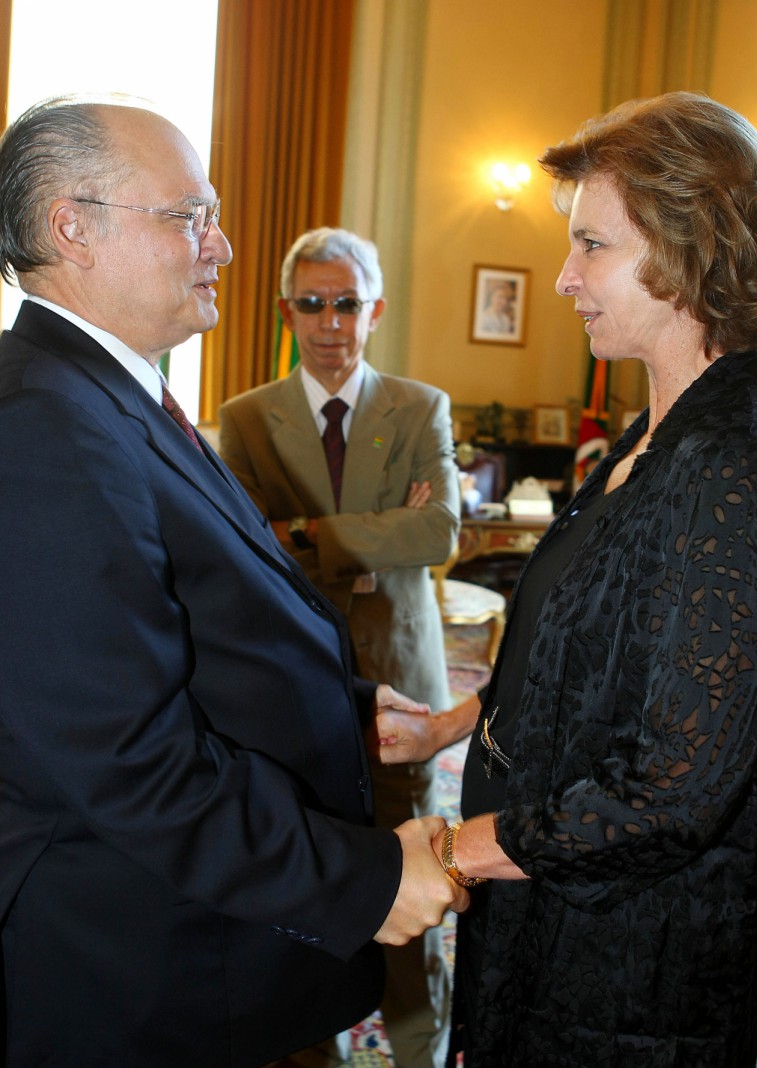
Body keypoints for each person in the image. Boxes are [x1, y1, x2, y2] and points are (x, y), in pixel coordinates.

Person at [0, 96, 469, 1068]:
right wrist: (359, 881)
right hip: (136, 963)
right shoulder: (43, 424)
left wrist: (344, 705)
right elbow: (124, 757)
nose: (220, 246)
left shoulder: (106, 392)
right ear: (71, 229)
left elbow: (174, 631)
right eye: (190, 216)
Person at [375, 91, 757, 1067]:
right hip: (546, 912)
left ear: (689, 249)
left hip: (630, 969)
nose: (565, 277)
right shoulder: (651, 438)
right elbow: (583, 660)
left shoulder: (738, 468)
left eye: (591, 245)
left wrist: (452, 852)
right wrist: (450, 725)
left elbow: (672, 794)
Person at [218, 226, 462, 1068]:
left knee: (413, 870)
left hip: (400, 684)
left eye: (347, 303)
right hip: (295, 686)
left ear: (375, 311)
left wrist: (304, 533)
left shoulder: (421, 406)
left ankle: (420, 1047)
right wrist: (378, 531)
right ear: (287, 312)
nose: (330, 322)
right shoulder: (246, 419)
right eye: (313, 303)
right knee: (308, 883)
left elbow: (438, 531)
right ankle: (315, 1051)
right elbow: (245, 550)